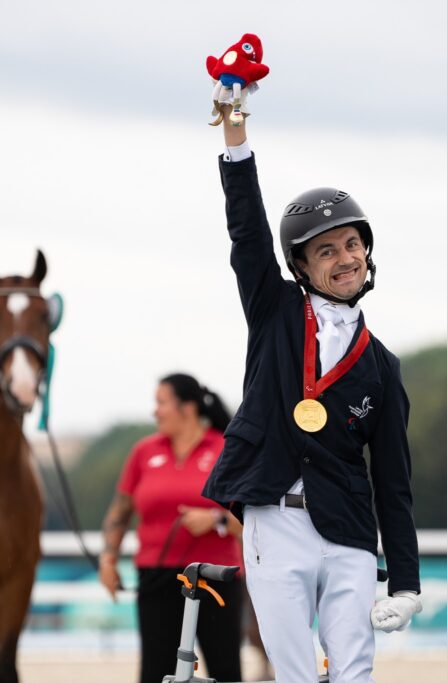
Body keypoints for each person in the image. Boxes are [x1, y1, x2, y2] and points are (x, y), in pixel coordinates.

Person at [200, 87, 422, 683]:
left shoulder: (383, 366)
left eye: (353, 245)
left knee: (354, 671)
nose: (345, 258)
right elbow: (245, 231)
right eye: (326, 251)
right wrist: (235, 132)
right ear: (301, 267)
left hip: (348, 526)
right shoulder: (273, 311)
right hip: (274, 517)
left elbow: (394, 481)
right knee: (295, 674)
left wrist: (405, 582)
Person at [99, 373, 244, 683]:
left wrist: (215, 519)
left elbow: (253, 518)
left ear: (187, 408)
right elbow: (120, 510)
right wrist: (107, 558)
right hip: (156, 576)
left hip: (215, 578)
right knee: (155, 671)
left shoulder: (225, 449)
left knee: (225, 669)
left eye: (161, 403)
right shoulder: (143, 451)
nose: (155, 412)